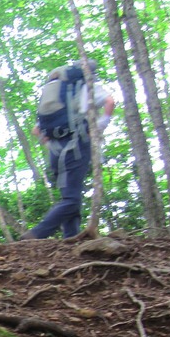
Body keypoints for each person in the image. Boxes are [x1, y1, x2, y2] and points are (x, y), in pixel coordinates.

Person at [22, 60, 115, 240]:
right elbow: (110, 102)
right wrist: (101, 124)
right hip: (77, 146)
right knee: (71, 200)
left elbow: (36, 130)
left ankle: (70, 238)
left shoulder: (57, 92)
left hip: (55, 152)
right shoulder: (87, 87)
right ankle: (36, 234)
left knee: (70, 196)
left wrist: (50, 143)